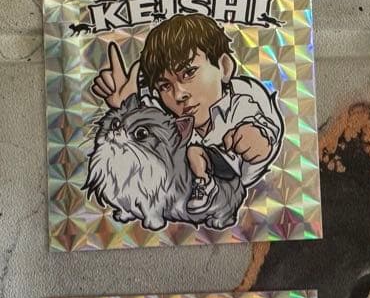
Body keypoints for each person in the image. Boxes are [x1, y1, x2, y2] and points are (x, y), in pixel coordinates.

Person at [90, 14, 283, 214]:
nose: (179, 95)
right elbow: (145, 117)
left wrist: (259, 144)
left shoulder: (243, 105)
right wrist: (124, 105)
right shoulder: (166, 117)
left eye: (189, 73)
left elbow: (261, 132)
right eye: (165, 86)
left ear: (224, 67)